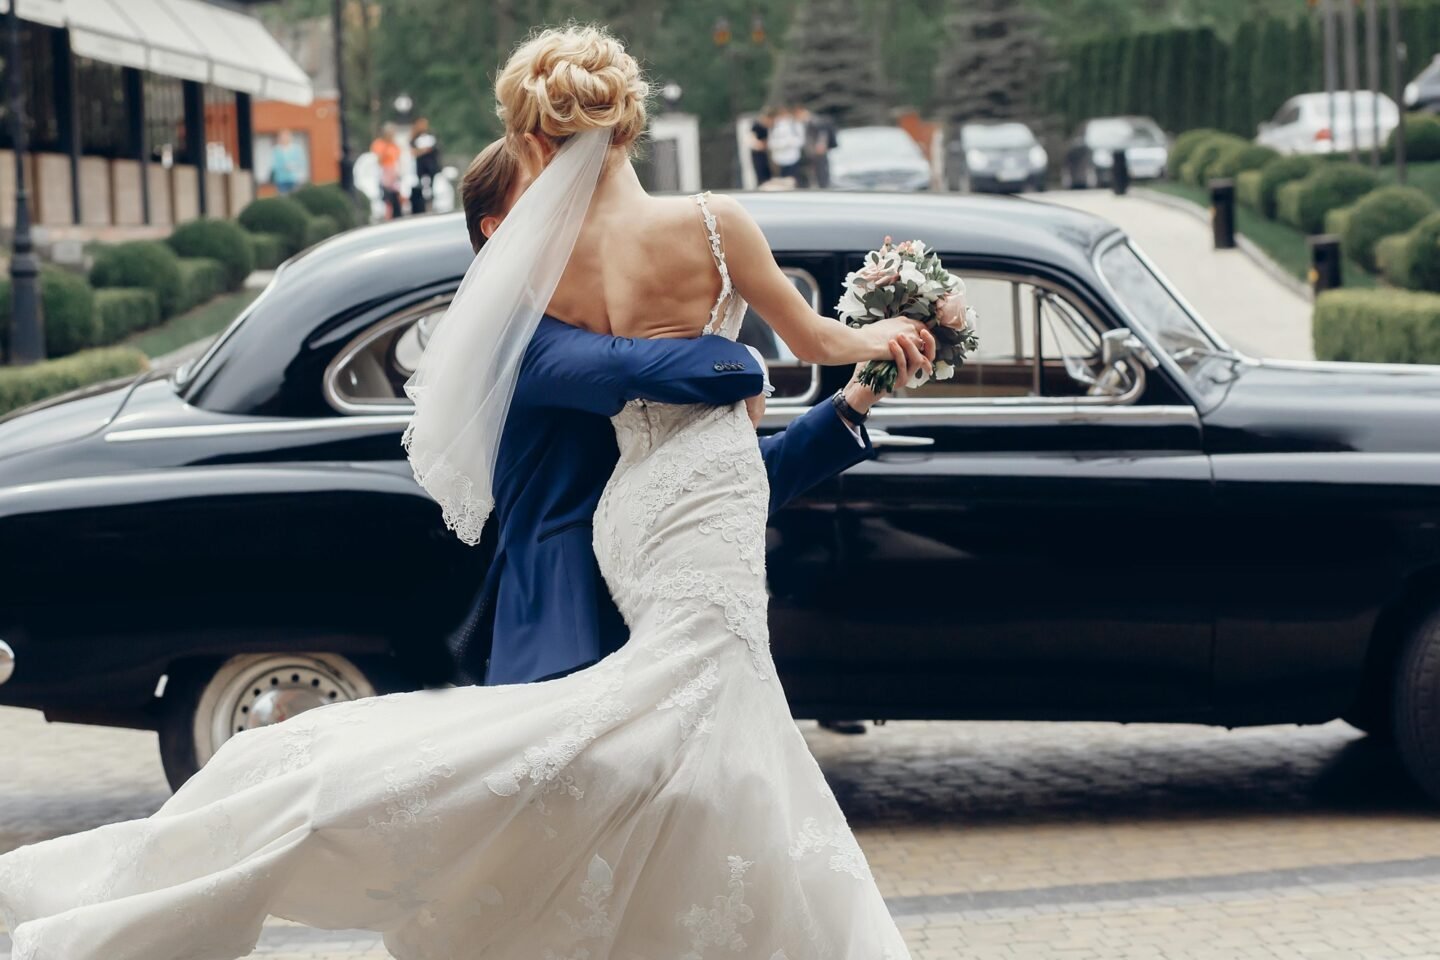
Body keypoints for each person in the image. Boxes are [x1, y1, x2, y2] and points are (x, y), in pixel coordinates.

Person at [0, 25, 937, 959]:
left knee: (707, 752)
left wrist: (853, 392)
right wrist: (840, 342)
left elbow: (681, 397)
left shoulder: (541, 276)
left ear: (535, 138)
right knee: (671, 740)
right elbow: (751, 359)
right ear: (631, 120)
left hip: (655, 511)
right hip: (584, 579)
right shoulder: (696, 235)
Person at [449, 139, 930, 688]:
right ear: (496, 229)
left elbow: (704, 474)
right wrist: (750, 359)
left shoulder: (590, 307)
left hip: (660, 591)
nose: (568, 204)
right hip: (568, 612)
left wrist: (856, 398)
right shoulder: (519, 336)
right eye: (543, 195)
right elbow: (633, 368)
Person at [768, 104, 809, 185]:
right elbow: (771, 143)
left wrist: (790, 142)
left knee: (793, 181)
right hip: (778, 160)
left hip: (793, 158)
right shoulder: (774, 126)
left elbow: (801, 141)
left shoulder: (795, 124)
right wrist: (782, 144)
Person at [370, 123, 404, 219]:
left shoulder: (395, 145)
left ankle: (397, 215)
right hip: (383, 173)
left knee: (396, 198)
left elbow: (398, 159)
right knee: (387, 199)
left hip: (393, 174)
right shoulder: (379, 144)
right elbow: (378, 160)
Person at [801, 107, 839, 189]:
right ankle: (822, 184)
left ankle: (824, 186)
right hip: (814, 150)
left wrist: (821, 144)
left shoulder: (815, 121)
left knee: (821, 169)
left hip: (818, 150)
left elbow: (822, 133)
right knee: (819, 169)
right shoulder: (810, 122)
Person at [409, 116, 441, 215]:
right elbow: (413, 152)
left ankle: (431, 205)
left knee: (432, 186)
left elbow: (436, 150)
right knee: (422, 186)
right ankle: (422, 207)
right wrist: (424, 150)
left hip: (431, 165)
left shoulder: (431, 135)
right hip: (421, 166)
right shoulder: (415, 138)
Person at [269, 129, 306, 195]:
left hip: (295, 179)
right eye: (282, 137)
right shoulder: (276, 150)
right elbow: (274, 165)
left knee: (295, 197)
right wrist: (283, 167)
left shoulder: (296, 149)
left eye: (286, 137)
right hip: (281, 179)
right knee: (284, 198)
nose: (284, 139)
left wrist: (293, 166)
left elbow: (302, 162)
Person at [748, 106, 775, 186]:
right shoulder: (757, 126)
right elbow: (751, 139)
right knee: (761, 173)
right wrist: (760, 144)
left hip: (765, 153)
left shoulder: (768, 127)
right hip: (758, 154)